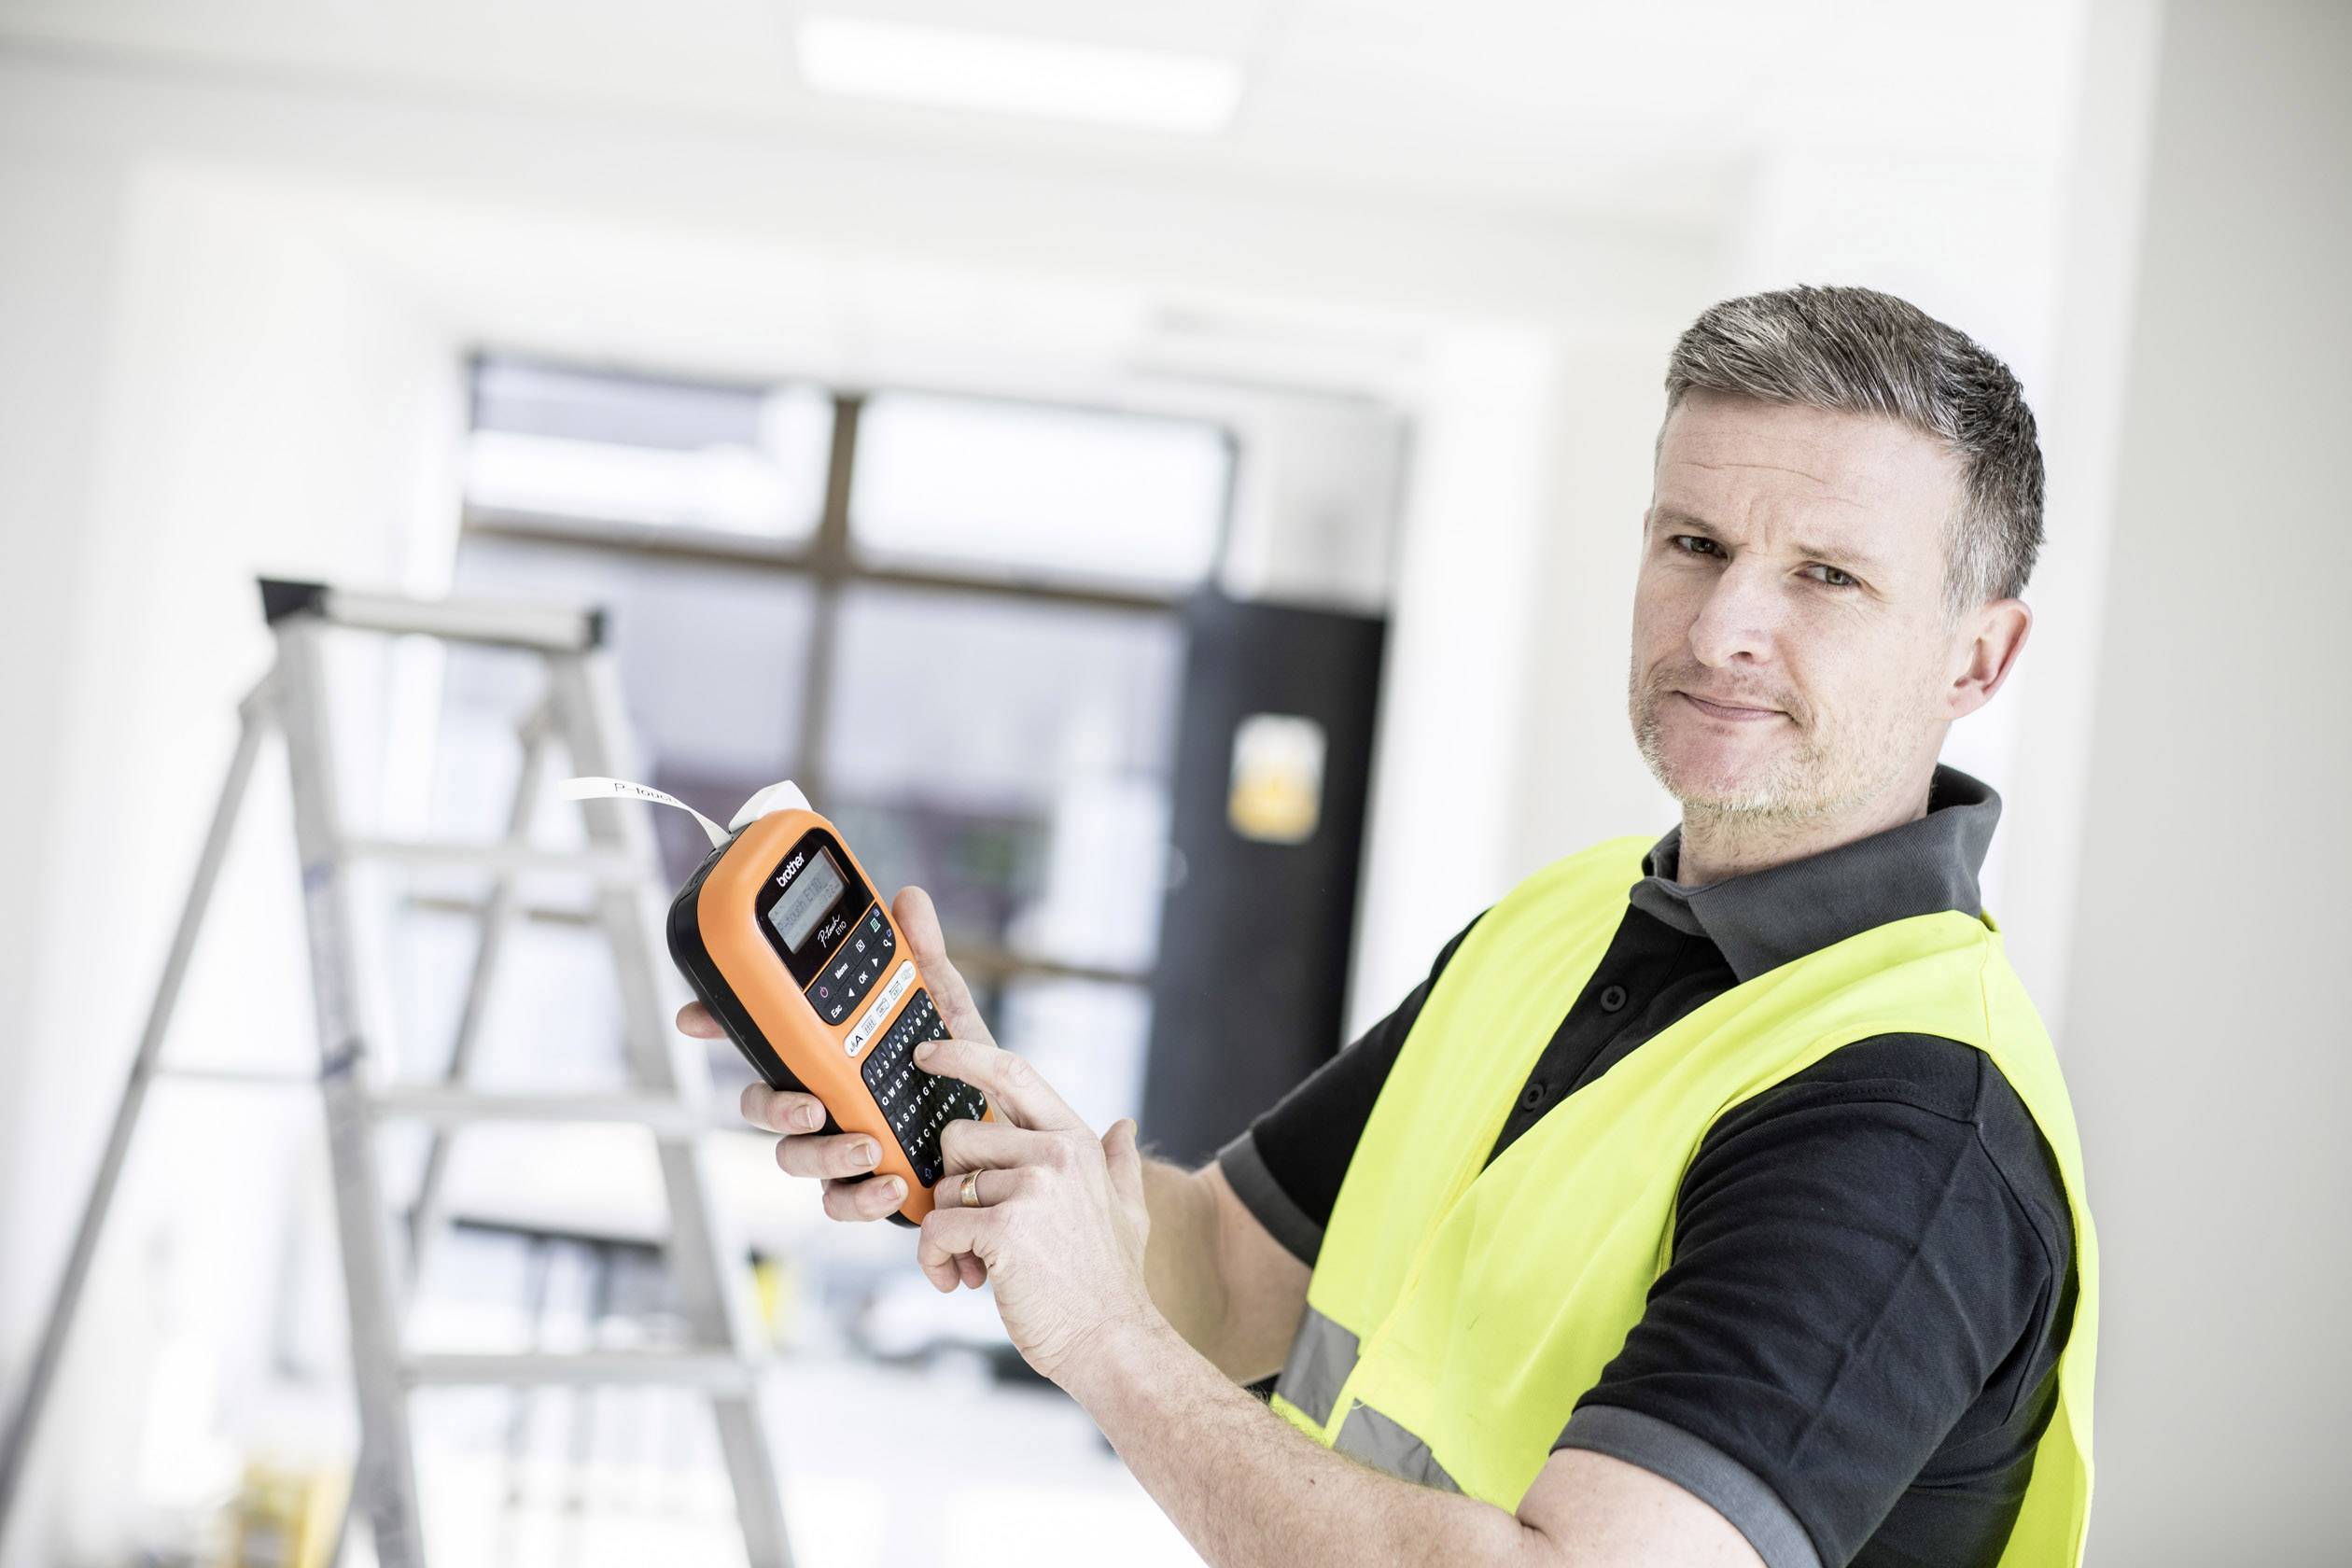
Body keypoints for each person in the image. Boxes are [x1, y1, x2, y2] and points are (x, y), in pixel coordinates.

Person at [679, 285, 2097, 1568]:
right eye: (1694, 542)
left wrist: (1100, 1337)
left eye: (1827, 576)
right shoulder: (1571, 918)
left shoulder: (1910, 1119)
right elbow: (1229, 1273)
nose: (1722, 623)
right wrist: (994, 1150)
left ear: (1980, 656)